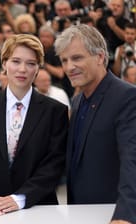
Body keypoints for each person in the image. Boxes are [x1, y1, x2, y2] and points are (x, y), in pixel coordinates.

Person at [0, 34, 68, 215]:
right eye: (16, 61)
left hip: (40, 209)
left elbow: (54, 164)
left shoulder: (56, 111)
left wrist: (20, 198)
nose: (22, 69)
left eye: (31, 63)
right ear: (4, 63)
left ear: (38, 68)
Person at [54, 24, 136, 224]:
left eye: (77, 58)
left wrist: (125, 215)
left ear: (100, 57)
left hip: (112, 214)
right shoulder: (77, 100)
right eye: (64, 60)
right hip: (80, 213)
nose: (68, 67)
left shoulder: (127, 97)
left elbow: (132, 159)